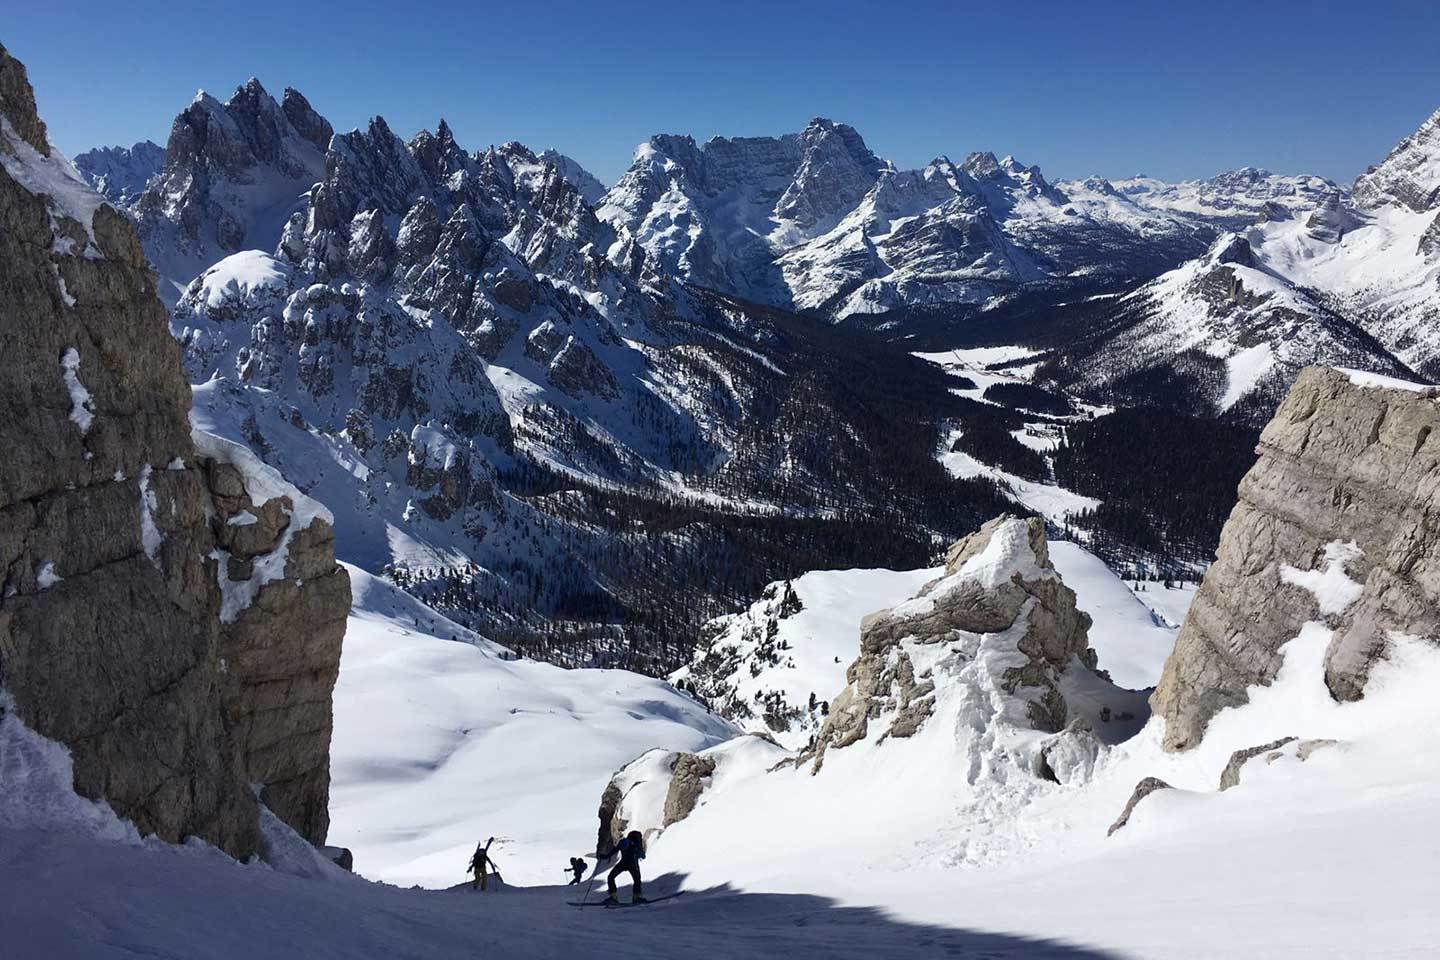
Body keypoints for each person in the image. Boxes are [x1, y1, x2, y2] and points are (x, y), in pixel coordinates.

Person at [599, 830, 646, 904]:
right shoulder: (636, 844)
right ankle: (636, 897)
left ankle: (613, 897)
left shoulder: (624, 842)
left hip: (623, 863)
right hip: (633, 864)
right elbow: (643, 856)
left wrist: (605, 857)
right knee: (637, 880)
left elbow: (615, 850)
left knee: (611, 877)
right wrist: (637, 851)